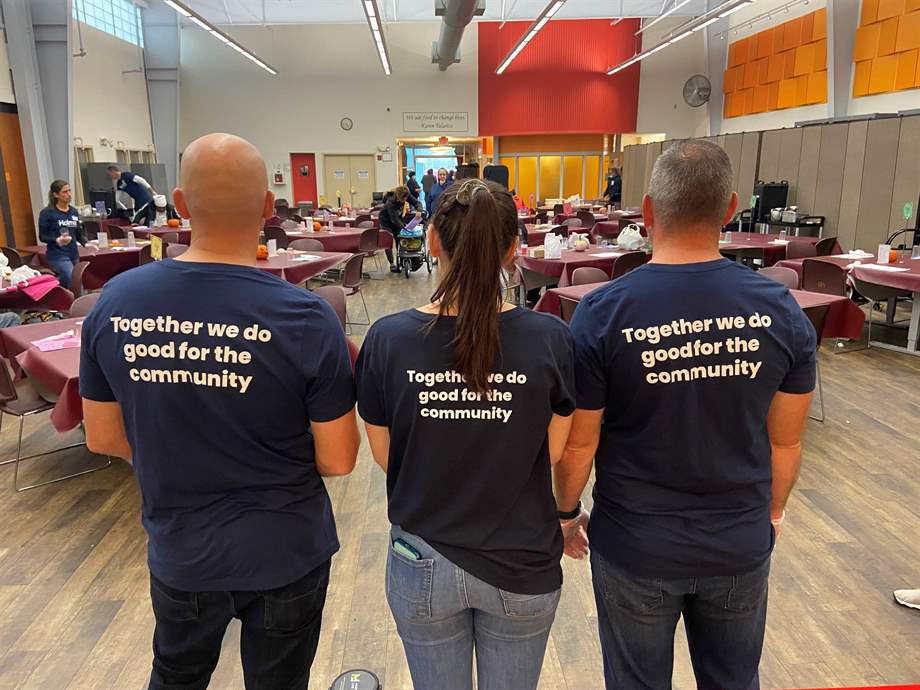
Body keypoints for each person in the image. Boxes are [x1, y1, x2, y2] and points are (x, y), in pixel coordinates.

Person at [81, 133, 360, 690]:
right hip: (286, 550)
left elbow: (102, 437)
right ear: (266, 207)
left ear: (179, 204)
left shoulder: (115, 302)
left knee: (177, 676)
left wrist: (177, 451)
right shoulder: (305, 317)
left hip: (182, 552)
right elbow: (338, 460)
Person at [555, 140, 816, 690]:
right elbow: (786, 444)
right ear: (730, 209)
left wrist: (564, 512)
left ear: (647, 212)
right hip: (738, 542)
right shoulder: (780, 310)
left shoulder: (601, 312)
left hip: (634, 544)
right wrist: (767, 519)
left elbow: (580, 444)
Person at [356, 178, 575, 690]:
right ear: (514, 248)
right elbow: (555, 451)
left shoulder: (387, 340)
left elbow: (388, 455)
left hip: (422, 557)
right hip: (522, 560)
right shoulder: (551, 339)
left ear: (431, 239)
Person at [37, 180, 86, 289]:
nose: (68, 194)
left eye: (69, 191)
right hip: (57, 255)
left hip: (73, 254)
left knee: (72, 279)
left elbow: (78, 233)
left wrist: (86, 243)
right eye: (64, 192)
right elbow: (42, 236)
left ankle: (55, 288)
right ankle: (79, 303)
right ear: (55, 195)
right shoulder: (47, 213)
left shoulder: (73, 211)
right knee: (73, 279)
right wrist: (57, 240)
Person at [379, 186, 422, 273]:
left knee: (400, 238)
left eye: (403, 200)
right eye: (399, 200)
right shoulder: (390, 202)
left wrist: (419, 210)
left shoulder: (406, 194)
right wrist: (404, 227)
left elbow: (417, 203)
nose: (401, 201)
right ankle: (391, 263)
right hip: (385, 221)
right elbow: (394, 219)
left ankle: (403, 260)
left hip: (397, 218)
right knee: (388, 241)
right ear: (397, 196)